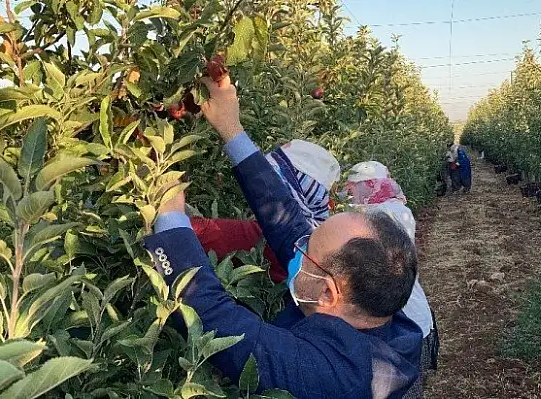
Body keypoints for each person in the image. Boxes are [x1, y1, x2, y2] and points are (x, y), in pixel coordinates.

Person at [142, 74, 423, 398]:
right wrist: (230, 128)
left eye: (306, 251)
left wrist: (168, 208)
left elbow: (207, 310)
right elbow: (286, 221)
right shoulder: (374, 304)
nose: (298, 246)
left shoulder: (331, 377)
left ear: (329, 294)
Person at [342, 161, 440, 389]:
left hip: (403, 324)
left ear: (371, 186)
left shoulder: (388, 214)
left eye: (355, 189)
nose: (352, 196)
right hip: (403, 320)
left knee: (404, 387)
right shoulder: (393, 210)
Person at [191, 139, 341, 283]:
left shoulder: (269, 238)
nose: (259, 191)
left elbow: (199, 232)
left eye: (271, 184)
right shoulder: (314, 247)